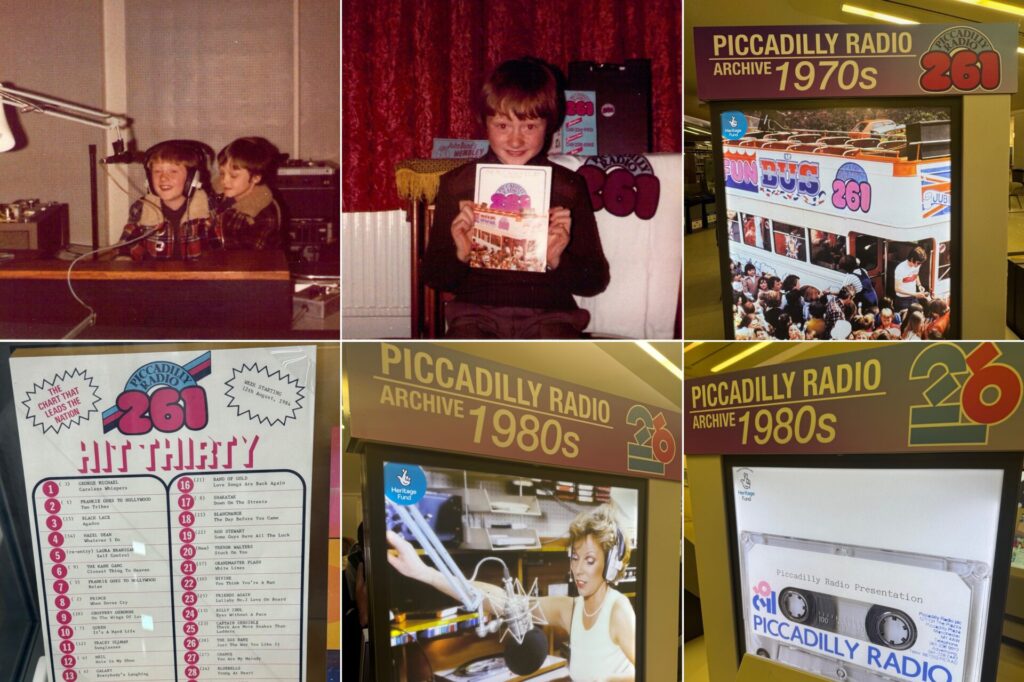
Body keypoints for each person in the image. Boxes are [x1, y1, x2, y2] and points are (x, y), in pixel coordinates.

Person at [423, 57, 609, 338]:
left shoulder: (568, 186)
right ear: (484, 123)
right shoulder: (457, 185)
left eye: (530, 126)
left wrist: (557, 257)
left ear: (550, 125)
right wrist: (460, 252)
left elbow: (595, 281)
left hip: (551, 314)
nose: (515, 141)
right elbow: (435, 277)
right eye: (502, 125)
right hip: (475, 313)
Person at [387, 504, 636, 680]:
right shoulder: (569, 609)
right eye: (575, 558)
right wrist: (426, 573)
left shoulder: (617, 609)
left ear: (612, 565)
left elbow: (653, 672)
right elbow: (504, 601)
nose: (578, 569)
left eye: (589, 560)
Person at [119, 140, 212, 260]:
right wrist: (124, 259)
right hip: (155, 276)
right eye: (157, 171)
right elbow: (126, 246)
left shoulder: (208, 207)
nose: (163, 178)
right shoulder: (142, 207)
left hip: (199, 276)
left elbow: (222, 251)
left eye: (173, 171)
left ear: (192, 178)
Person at [210, 136, 282, 250]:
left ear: (255, 178)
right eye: (222, 173)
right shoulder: (215, 194)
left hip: (249, 264)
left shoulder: (264, 215)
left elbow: (249, 259)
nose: (224, 180)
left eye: (234, 176)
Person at [893, 247, 930, 311]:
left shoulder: (917, 265)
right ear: (912, 259)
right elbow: (897, 289)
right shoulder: (900, 268)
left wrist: (919, 285)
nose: (919, 265)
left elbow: (916, 275)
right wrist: (915, 294)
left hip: (913, 297)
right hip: (902, 299)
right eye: (918, 263)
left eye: (921, 263)